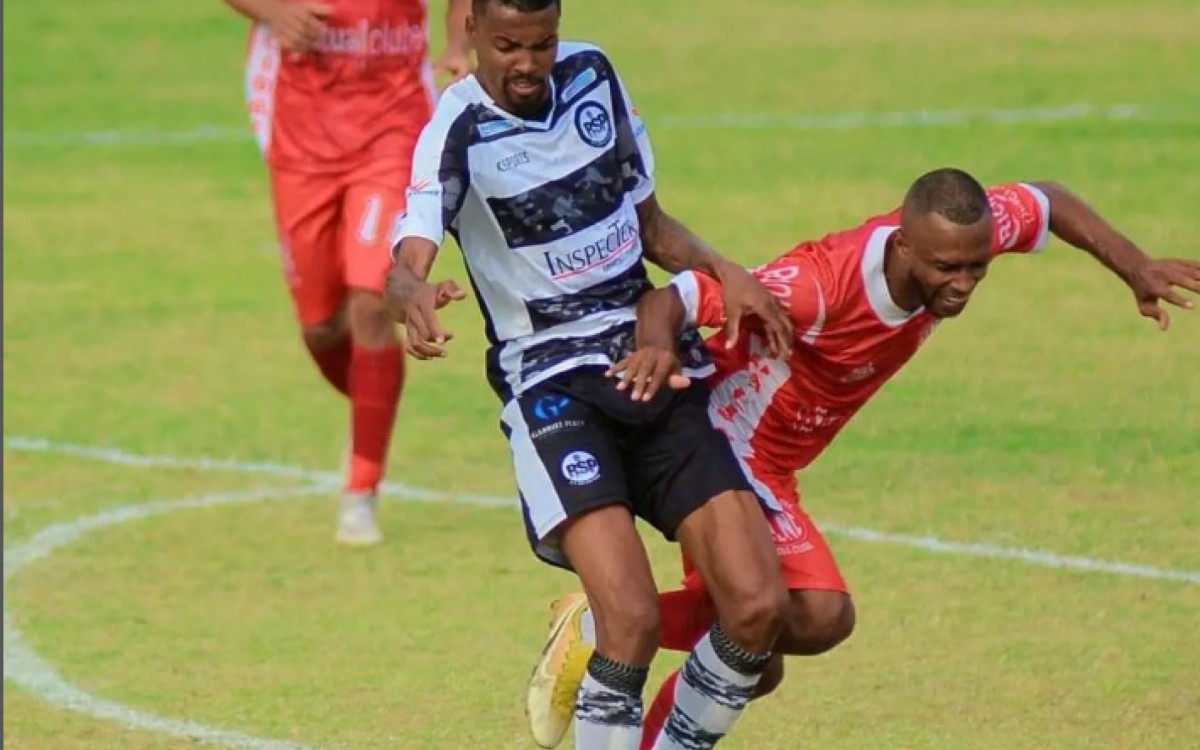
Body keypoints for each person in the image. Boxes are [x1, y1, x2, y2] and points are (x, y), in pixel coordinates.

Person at [527, 168, 1200, 749]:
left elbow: (1048, 200)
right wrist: (660, 350)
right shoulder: (821, 286)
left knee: (755, 663)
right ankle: (603, 627)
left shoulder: (961, 230)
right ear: (906, 246)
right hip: (734, 442)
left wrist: (1133, 265)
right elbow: (670, 298)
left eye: (977, 266)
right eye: (946, 268)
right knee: (818, 614)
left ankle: (596, 627)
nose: (963, 283)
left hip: (780, 463)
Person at [384, 1, 807, 748]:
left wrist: (723, 270)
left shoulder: (593, 73)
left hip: (654, 364)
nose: (526, 64)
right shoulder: (457, 126)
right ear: (472, 33)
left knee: (757, 607)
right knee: (632, 620)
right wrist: (411, 291)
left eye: (540, 44)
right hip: (552, 388)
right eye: (507, 45)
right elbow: (410, 253)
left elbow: (650, 224)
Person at [222, 0, 472, 546]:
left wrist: (459, 44)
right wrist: (271, 11)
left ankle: (361, 490)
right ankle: (370, 408)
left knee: (370, 303)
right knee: (321, 327)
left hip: (392, 131)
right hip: (299, 136)